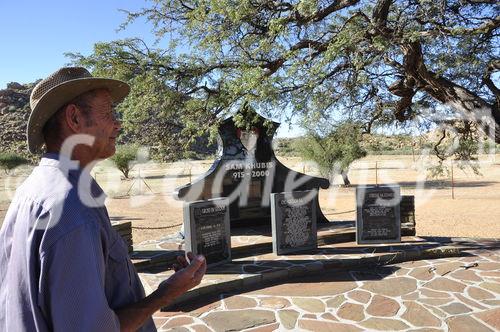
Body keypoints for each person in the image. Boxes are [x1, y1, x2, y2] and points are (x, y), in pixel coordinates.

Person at [0, 67, 207, 331]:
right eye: (108, 113)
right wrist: (166, 293)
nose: (118, 123)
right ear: (74, 118)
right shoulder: (73, 207)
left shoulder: (32, 189)